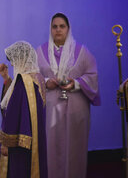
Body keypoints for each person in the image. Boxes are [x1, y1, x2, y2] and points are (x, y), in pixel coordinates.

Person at [36, 13, 100, 178]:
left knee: (75, 149)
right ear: (50, 29)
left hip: (76, 110)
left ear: (68, 29)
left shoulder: (82, 51)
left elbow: (92, 75)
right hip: (50, 110)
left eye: (62, 26)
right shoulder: (40, 52)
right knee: (51, 148)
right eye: (54, 26)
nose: (58, 30)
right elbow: (33, 78)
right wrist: (46, 82)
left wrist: (76, 83)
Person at [0, 41, 47, 178]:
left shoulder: (23, 81)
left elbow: (13, 112)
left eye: (13, 61)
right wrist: (6, 78)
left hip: (20, 144)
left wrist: (6, 143)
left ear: (21, 59)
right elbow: (15, 100)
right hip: (36, 138)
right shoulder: (38, 78)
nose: (12, 65)